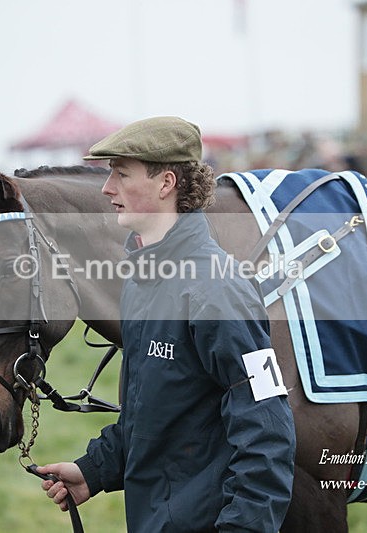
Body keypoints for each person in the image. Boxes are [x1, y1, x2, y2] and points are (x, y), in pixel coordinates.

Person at [37, 117, 296, 531]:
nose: (107, 189)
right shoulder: (140, 282)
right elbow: (152, 414)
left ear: (166, 183)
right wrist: (94, 470)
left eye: (122, 175)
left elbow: (268, 433)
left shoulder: (217, 289)